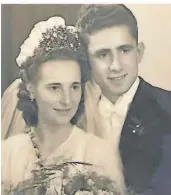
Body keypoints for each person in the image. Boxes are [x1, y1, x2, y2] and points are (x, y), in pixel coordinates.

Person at [1, 16, 125, 194]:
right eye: (54, 88)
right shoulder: (7, 154)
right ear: (31, 89)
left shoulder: (101, 154)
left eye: (74, 87)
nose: (67, 100)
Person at [76, 4, 171, 194]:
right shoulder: (74, 112)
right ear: (87, 61)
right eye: (103, 54)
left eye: (125, 50)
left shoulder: (166, 108)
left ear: (140, 52)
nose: (116, 66)